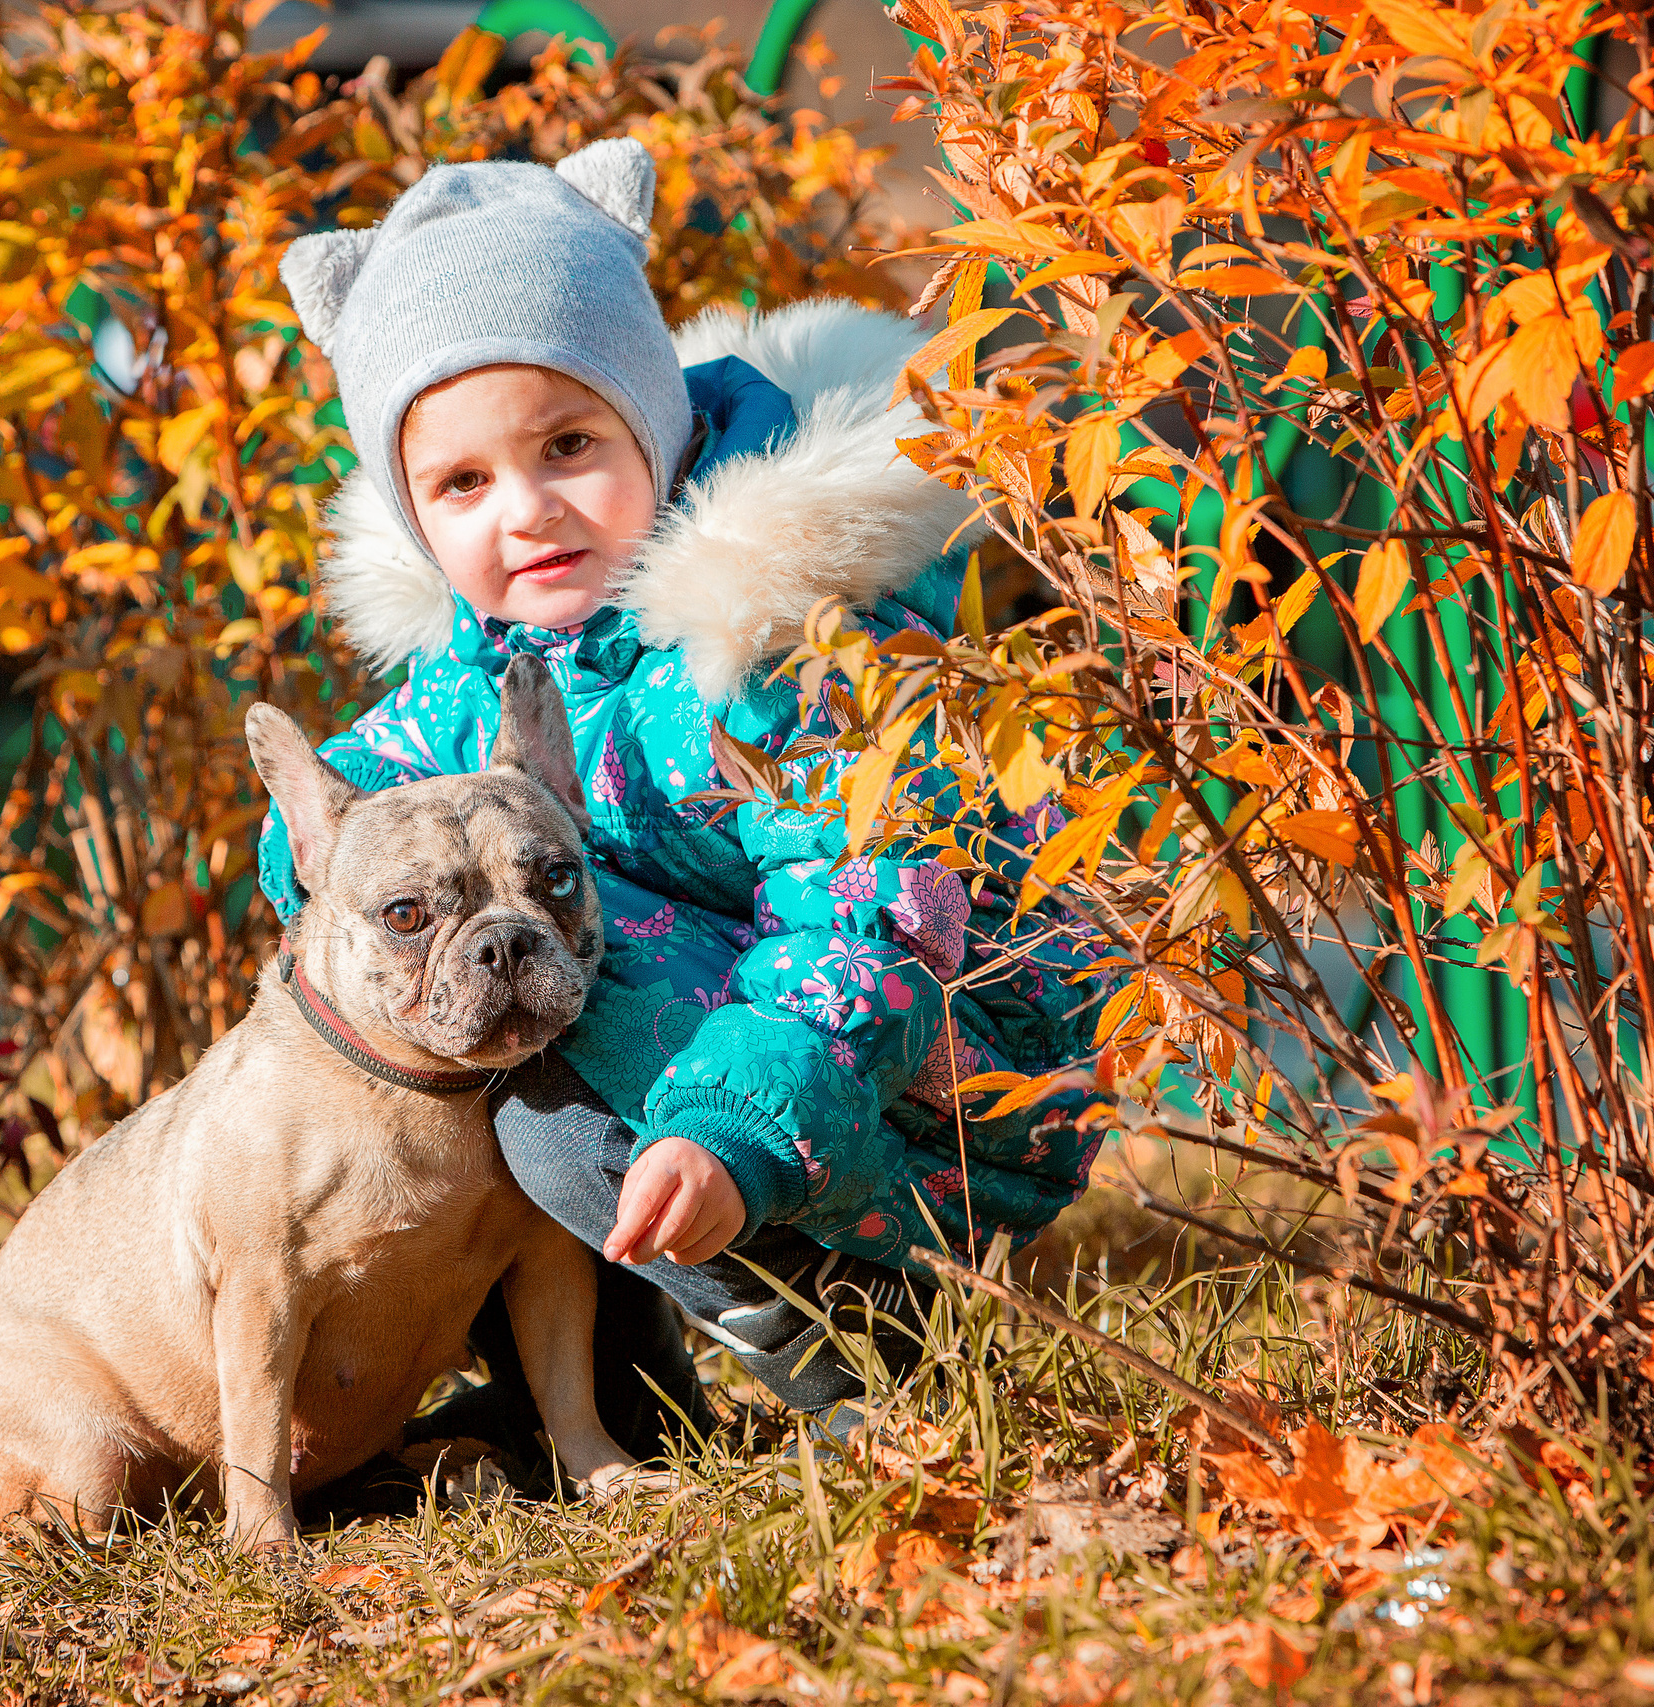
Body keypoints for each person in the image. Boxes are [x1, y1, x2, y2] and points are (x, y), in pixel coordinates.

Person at [263, 138, 1105, 1454]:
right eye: (464, 483)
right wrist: (320, 872)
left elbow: (875, 926)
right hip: (776, 1036)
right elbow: (356, 792)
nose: (527, 511)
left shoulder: (768, 642)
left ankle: (868, 1340)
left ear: (652, 422)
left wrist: (731, 1132)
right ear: (415, 515)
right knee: (475, 985)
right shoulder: (495, 653)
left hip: (939, 1077)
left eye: (570, 443)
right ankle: (613, 1390)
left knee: (551, 1098)